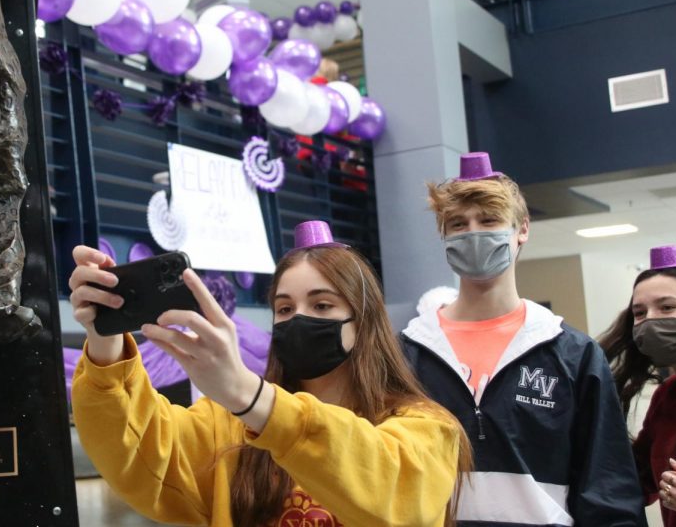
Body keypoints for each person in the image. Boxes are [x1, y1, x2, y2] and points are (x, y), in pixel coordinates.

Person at [69, 220, 472, 527]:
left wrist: (251, 397)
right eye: (284, 309)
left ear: (364, 322)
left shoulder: (427, 429)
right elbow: (140, 453)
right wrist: (105, 338)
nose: (299, 319)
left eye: (322, 306)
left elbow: (389, 490)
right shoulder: (226, 424)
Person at [401, 152, 647, 527]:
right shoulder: (403, 355)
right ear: (444, 235)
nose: (473, 233)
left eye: (489, 220)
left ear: (522, 230)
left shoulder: (573, 355)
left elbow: (607, 489)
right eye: (457, 223)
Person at [600, 244, 676, 526]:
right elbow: (637, 478)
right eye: (640, 313)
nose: (651, 320)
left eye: (667, 307)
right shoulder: (668, 395)